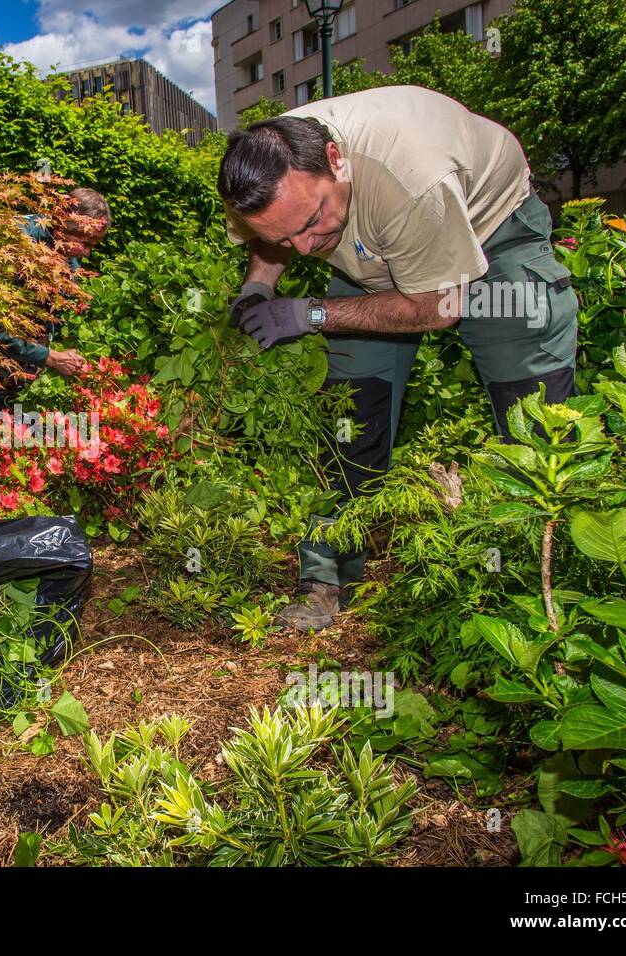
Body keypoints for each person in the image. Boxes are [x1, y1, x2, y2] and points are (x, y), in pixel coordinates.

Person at [217, 86, 578, 632]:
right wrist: (259, 285)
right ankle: (329, 577)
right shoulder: (264, 168)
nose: (307, 249)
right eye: (285, 237)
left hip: (489, 230)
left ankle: (542, 585)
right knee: (351, 412)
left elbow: (438, 307)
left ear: (335, 161)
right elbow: (284, 233)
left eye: (312, 221)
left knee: (534, 413)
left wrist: (312, 314)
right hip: (377, 249)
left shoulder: (412, 178)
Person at [0, 187, 111, 422]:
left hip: (15, 370)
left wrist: (46, 347)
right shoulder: (16, 243)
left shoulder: (68, 259)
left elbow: (49, 316)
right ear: (63, 226)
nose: (87, 253)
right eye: (84, 243)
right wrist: (49, 357)